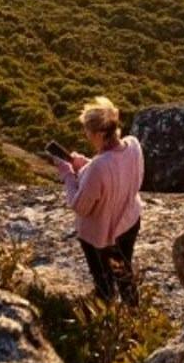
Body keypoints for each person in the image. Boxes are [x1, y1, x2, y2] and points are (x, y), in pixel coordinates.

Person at [57, 95, 144, 304]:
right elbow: (118, 172)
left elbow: (80, 206)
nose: (86, 135)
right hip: (130, 221)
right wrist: (84, 165)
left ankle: (105, 305)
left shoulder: (99, 166)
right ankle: (133, 310)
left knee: (103, 276)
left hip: (103, 235)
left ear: (98, 134)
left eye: (87, 131)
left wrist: (68, 174)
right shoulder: (133, 145)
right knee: (124, 270)